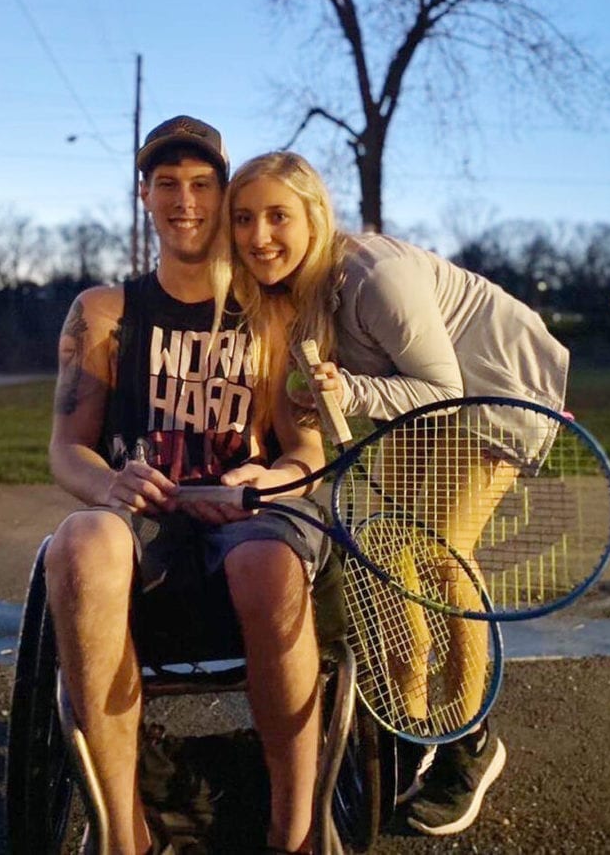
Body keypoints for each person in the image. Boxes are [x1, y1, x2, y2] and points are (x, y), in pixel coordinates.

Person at [214, 150, 570, 838]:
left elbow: (442, 390)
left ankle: (468, 742)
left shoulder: (374, 277)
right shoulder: (297, 292)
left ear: (315, 216)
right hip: (416, 406)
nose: (259, 235)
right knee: (379, 553)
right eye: (244, 219)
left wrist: (346, 391)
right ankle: (408, 727)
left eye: (277, 216)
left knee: (438, 553)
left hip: (495, 391)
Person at [45, 119, 329, 855]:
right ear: (144, 195)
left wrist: (270, 480)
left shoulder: (274, 311)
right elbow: (67, 449)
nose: (185, 200)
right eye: (166, 183)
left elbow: (306, 452)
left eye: (202, 184)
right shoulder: (105, 312)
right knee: (79, 545)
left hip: (247, 515)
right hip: (145, 517)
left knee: (266, 565)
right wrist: (111, 486)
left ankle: (293, 832)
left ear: (222, 192)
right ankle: (124, 834)